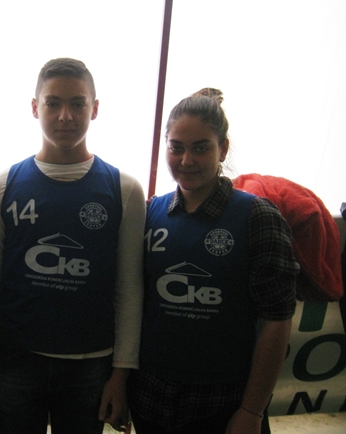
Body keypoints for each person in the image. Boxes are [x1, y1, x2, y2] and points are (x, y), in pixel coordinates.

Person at [0, 58, 145, 433]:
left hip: (91, 364)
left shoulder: (124, 190)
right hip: (15, 360)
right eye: (53, 103)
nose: (65, 116)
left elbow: (129, 287)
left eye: (77, 103)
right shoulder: (1, 187)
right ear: (35, 108)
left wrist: (121, 373)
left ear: (94, 109)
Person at [128, 88, 299, 434]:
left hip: (225, 404)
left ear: (223, 148)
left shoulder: (257, 217)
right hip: (151, 399)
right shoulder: (150, 213)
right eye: (176, 147)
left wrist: (252, 410)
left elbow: (276, 322)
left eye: (201, 147)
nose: (186, 160)